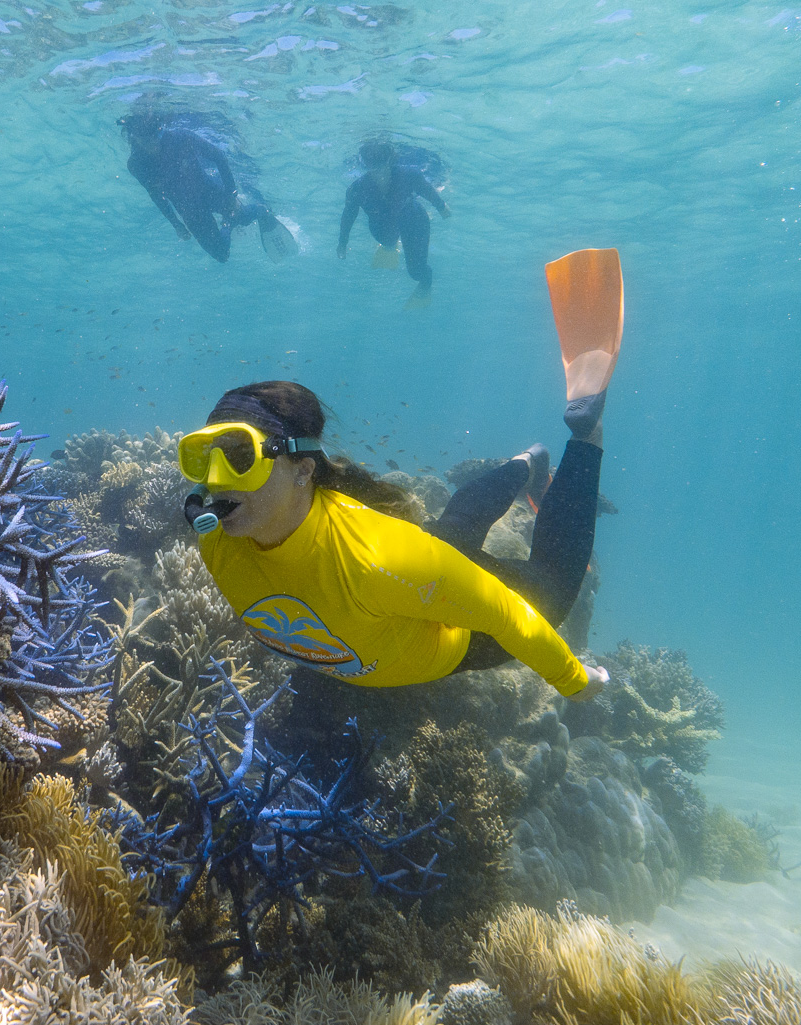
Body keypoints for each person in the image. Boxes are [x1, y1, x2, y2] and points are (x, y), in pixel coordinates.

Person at [178, 249, 624, 699]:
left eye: (238, 456)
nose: (214, 481)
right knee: (450, 535)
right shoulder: (218, 540)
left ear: (303, 470)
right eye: (202, 457)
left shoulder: (382, 561)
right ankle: (525, 463)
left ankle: (586, 436)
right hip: (413, 583)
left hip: (453, 636)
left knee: (555, 589)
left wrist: (573, 680)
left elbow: (506, 614)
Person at [122, 111, 297, 263]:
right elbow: (156, 195)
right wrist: (176, 224)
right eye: (146, 141)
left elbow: (219, 156)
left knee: (243, 218)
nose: (154, 145)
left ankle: (260, 210)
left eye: (156, 136)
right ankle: (229, 222)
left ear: (160, 130)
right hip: (188, 208)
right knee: (221, 255)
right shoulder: (136, 165)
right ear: (134, 138)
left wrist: (231, 195)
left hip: (209, 190)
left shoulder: (181, 137)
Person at [338, 139, 450, 305]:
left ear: (390, 161)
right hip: (382, 224)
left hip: (413, 218)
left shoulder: (409, 174)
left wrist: (441, 207)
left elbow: (427, 191)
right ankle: (390, 246)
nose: (378, 174)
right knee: (385, 239)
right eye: (372, 169)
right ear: (366, 167)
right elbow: (348, 216)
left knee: (416, 272)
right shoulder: (357, 189)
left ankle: (425, 286)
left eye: (381, 168)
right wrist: (342, 243)